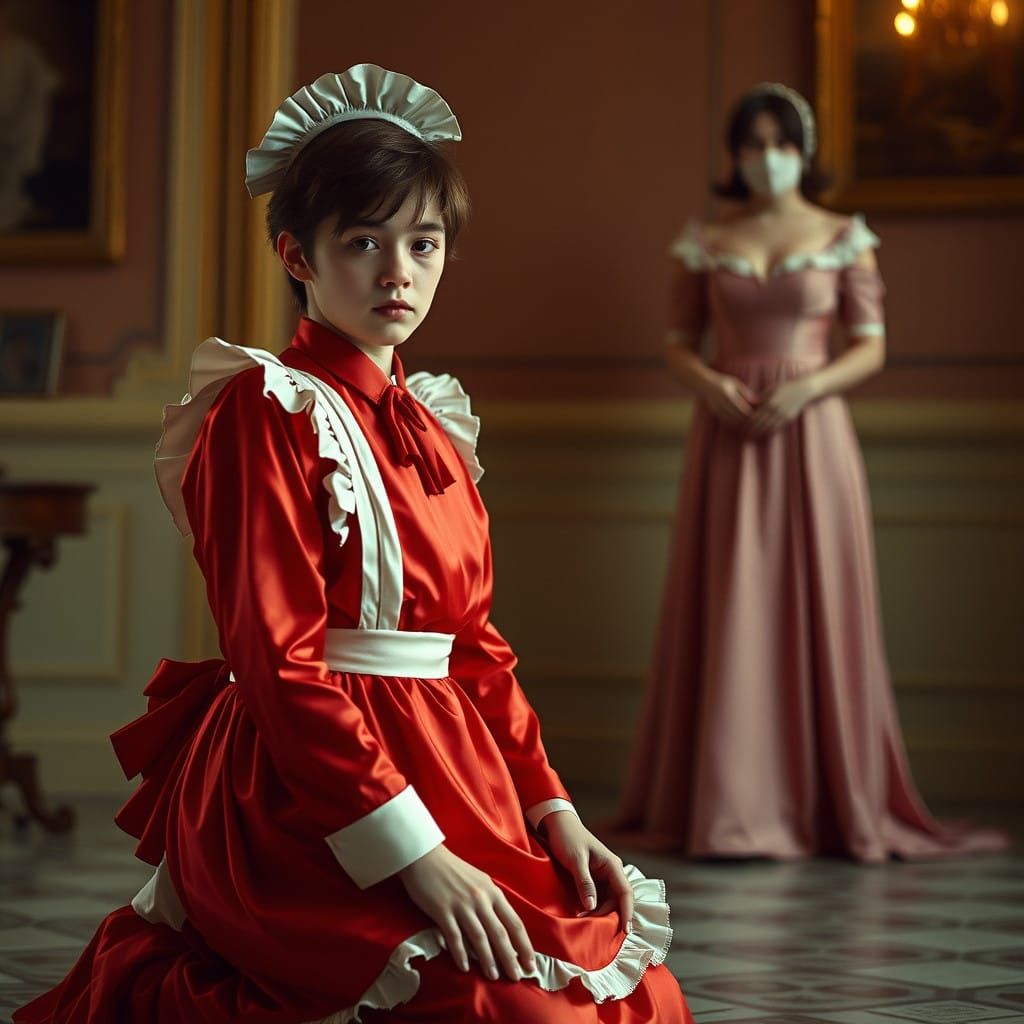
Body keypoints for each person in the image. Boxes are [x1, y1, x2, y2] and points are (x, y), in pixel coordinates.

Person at [15, 66, 692, 1023]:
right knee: (507, 1009)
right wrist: (412, 856)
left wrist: (554, 809)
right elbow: (279, 660)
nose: (397, 273)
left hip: (455, 766)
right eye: (363, 243)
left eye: (423, 243)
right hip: (306, 787)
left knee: (636, 990)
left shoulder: (435, 423)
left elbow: (476, 647)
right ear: (298, 254)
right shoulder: (261, 410)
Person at [614, 83, 1009, 863]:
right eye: (753, 145)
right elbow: (676, 344)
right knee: (727, 602)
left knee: (818, 602)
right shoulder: (704, 238)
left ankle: (824, 800)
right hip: (725, 437)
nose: (768, 159)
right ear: (735, 157)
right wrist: (713, 384)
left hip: (814, 435)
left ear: (807, 151)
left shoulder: (844, 237)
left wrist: (806, 385)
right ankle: (725, 803)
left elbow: (872, 344)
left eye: (783, 143)